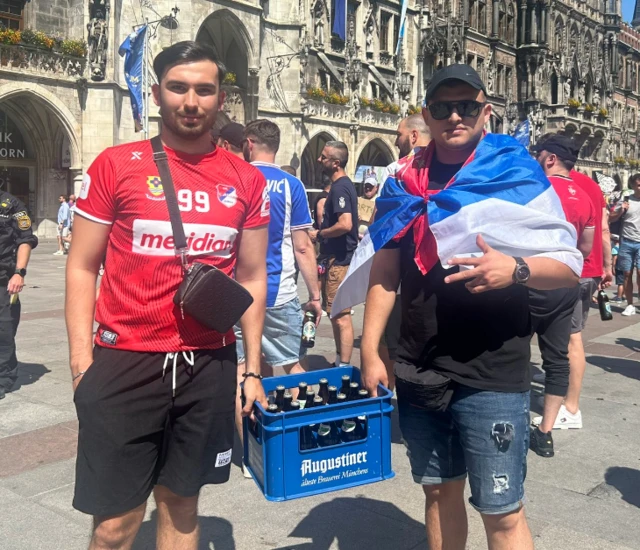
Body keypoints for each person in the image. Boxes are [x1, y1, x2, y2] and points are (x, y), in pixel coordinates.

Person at [359, 65, 580, 550]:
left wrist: (516, 269)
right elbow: (386, 271)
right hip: (419, 363)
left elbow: (568, 265)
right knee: (439, 492)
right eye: (442, 107)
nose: (454, 116)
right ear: (426, 115)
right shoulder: (403, 182)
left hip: (492, 369)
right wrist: (370, 349)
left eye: (466, 106)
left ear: (486, 112)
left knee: (501, 510)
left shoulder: (515, 171)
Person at [66, 41, 269, 550]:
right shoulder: (117, 164)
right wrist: (80, 364)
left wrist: (252, 369)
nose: (191, 101)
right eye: (178, 88)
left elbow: (251, 276)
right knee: (114, 526)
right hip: (125, 360)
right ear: (156, 93)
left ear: (223, 98)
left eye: (204, 89)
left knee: (181, 505)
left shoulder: (246, 180)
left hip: (207, 363)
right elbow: (82, 265)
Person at [236, 119, 321, 472]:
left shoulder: (234, 177)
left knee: (244, 371)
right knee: (292, 366)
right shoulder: (291, 185)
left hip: (237, 295)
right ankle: (301, 439)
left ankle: (248, 455)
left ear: (249, 144)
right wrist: (315, 294)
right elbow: (302, 246)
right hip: (279, 292)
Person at [528, 135, 595, 454]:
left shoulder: (535, 188)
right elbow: (585, 247)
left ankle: (507, 420)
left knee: (511, 352)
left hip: (530, 279)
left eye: (539, 154)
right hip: (565, 285)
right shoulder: (585, 197)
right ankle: (545, 432)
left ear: (550, 158)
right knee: (557, 358)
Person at [378, 115, 432, 389]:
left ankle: (389, 392)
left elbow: (382, 222)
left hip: (397, 274)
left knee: (390, 343)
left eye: (399, 134)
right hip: (431, 276)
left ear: (413, 137)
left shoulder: (395, 169)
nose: (396, 140)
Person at [309, 141, 358, 367]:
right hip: (336, 259)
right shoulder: (342, 186)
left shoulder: (339, 188)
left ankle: (344, 365)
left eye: (324, 157)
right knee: (336, 314)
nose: (320, 160)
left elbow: (345, 224)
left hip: (340, 259)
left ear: (336, 163)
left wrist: (320, 234)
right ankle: (340, 360)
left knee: (340, 315)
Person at [0, 189, 38, 400]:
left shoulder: (13, 206)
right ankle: (9, 369)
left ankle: (3, 378)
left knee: (3, 329)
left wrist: (19, 273)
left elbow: (25, 239)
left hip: (3, 279)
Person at [609, 173, 640, 316]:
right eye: (638, 185)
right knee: (627, 274)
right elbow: (611, 218)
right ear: (633, 186)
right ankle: (630, 304)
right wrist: (621, 211)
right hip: (627, 241)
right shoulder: (626, 201)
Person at [357, 174, 378, 239]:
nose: (368, 189)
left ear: (376, 188)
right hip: (357, 238)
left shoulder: (379, 201)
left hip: (370, 238)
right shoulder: (359, 200)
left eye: (371, 186)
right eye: (366, 186)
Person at [611, 234, 624, 302]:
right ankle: (622, 295)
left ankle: (619, 297)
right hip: (624, 266)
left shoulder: (614, 248)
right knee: (624, 282)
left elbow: (614, 259)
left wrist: (613, 267)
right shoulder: (623, 248)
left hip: (618, 267)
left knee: (620, 283)